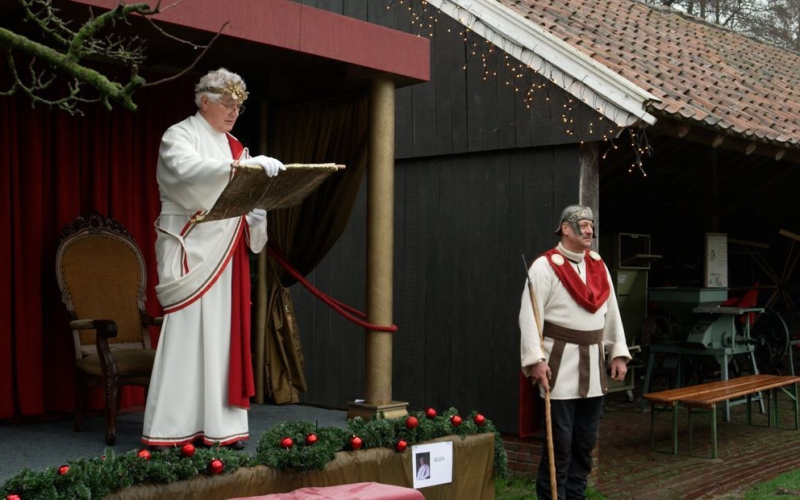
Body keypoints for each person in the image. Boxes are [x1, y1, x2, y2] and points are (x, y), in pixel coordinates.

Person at [142, 68, 285, 451]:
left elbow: (245, 191)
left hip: (227, 256)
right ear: (204, 100)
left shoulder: (237, 146)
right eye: (226, 102)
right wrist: (242, 170)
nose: (233, 110)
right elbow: (186, 175)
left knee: (223, 339)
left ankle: (221, 429)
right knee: (188, 339)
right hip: (191, 254)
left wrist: (256, 215)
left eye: (238, 104)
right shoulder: (179, 135)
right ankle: (172, 430)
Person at [519, 204, 630, 500]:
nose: (589, 230)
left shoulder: (598, 264)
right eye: (582, 224)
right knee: (560, 443)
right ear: (565, 228)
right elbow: (529, 315)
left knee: (584, 442)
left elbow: (612, 312)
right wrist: (536, 360)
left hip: (593, 370)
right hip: (558, 369)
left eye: (591, 224)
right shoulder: (544, 266)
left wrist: (617, 352)